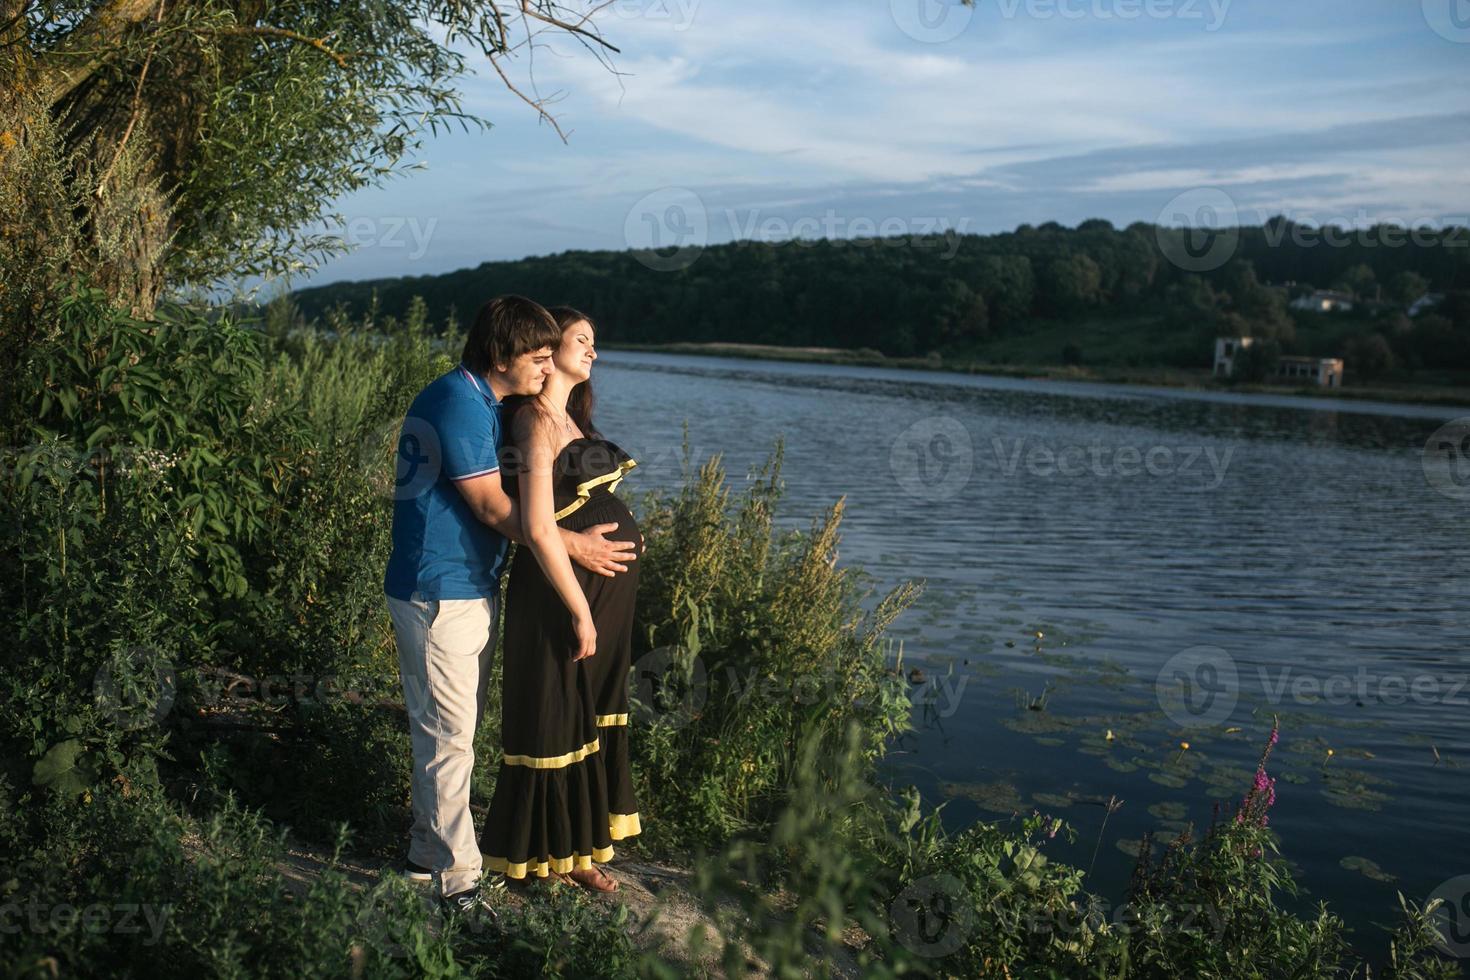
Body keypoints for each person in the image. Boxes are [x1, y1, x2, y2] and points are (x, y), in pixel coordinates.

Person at [382, 295, 638, 915]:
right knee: (450, 738)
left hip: (467, 587)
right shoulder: (459, 404)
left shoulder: (483, 402)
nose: (547, 368)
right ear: (501, 354)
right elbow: (494, 508)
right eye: (539, 356)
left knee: (448, 731)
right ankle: (458, 881)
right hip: (439, 590)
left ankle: (427, 852)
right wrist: (570, 542)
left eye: (555, 355)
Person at [480, 306, 643, 893]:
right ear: (550, 349)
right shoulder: (532, 422)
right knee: (555, 712)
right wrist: (578, 607)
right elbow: (538, 524)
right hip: (559, 592)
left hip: (603, 595)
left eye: (594, 342)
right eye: (582, 339)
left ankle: (579, 850)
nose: (593, 350)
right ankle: (537, 856)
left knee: (588, 715)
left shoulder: (571, 420)